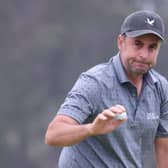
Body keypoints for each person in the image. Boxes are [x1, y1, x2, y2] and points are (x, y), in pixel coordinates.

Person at [45, 10, 168, 168]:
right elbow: (53, 134)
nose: (144, 54)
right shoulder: (94, 82)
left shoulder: (161, 88)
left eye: (152, 47)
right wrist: (91, 129)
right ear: (120, 42)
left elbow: (164, 148)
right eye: (137, 44)